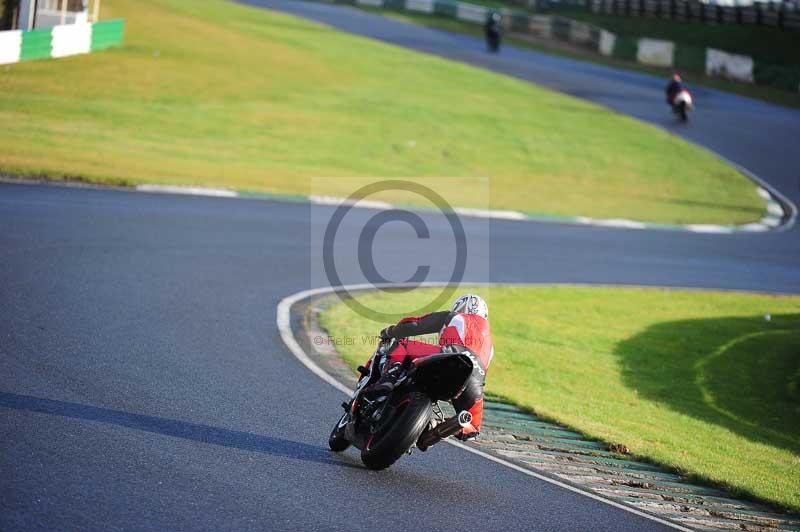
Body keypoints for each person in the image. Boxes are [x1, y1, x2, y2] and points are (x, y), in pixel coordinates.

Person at [363, 294, 494, 442]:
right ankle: (434, 430)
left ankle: (387, 380)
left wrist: (390, 332)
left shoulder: (454, 316)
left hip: (451, 357)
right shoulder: (490, 343)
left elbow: (415, 324)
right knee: (472, 428)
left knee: (402, 344)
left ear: (462, 307)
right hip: (475, 381)